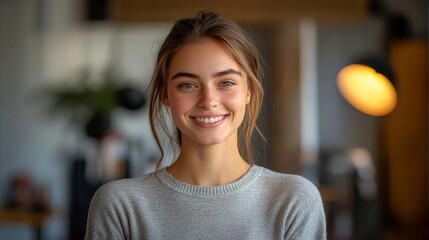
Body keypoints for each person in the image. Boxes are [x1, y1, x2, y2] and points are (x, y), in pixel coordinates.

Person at [85, 11, 326, 240]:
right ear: (165, 94)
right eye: (187, 84)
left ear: (248, 91)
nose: (208, 101)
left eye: (226, 82)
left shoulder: (292, 200)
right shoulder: (119, 205)